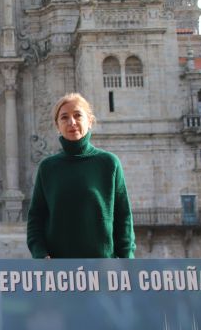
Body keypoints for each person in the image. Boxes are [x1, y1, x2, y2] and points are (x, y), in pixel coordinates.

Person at [27, 92, 135, 258]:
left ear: (89, 121)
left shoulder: (109, 163)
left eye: (77, 115)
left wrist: (128, 260)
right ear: (57, 125)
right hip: (58, 272)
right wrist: (40, 254)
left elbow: (123, 217)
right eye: (64, 117)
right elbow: (36, 218)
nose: (72, 122)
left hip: (104, 271)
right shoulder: (47, 168)